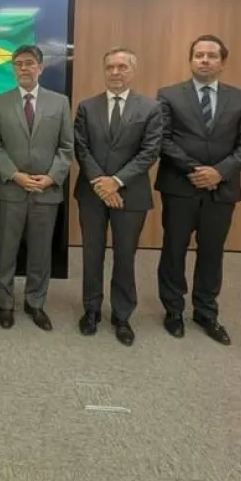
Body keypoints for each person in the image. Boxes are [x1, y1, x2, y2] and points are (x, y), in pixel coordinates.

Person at [156, 35, 241, 345]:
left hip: (222, 188)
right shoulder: (169, 95)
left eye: (211, 55)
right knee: (174, 249)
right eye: (198, 55)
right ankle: (173, 309)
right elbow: (162, 139)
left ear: (222, 62)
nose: (204, 60)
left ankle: (206, 311)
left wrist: (219, 172)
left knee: (212, 251)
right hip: (180, 185)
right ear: (190, 60)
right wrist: (195, 170)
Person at [73, 48, 162, 346]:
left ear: (132, 71)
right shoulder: (87, 107)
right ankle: (92, 310)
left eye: (122, 66)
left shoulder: (150, 108)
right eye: (110, 66)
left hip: (130, 194)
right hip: (92, 192)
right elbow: (81, 148)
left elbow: (150, 151)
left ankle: (122, 315)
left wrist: (116, 181)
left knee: (125, 255)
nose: (115, 72)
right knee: (92, 253)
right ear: (104, 70)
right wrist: (102, 183)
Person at [0, 44, 74, 331]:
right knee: (6, 250)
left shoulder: (59, 103)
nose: (23, 68)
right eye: (18, 64)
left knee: (40, 251)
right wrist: (14, 174)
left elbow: (66, 147)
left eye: (29, 63)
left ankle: (35, 303)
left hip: (45, 190)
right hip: (10, 189)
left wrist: (52, 177)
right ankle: (5, 303)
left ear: (41, 67)